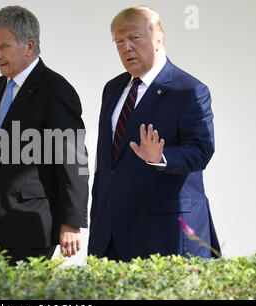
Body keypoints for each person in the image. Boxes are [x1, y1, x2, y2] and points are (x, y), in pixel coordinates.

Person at [0, 6, 88, 266]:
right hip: (1, 222)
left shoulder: (55, 90)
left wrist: (71, 221)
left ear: (29, 45)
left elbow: (74, 160)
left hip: (37, 223)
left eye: (3, 46)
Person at [88, 6, 221, 261]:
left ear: (158, 39)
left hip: (163, 233)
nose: (126, 47)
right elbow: (108, 166)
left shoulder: (189, 90)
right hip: (109, 234)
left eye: (134, 38)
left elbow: (201, 149)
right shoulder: (113, 89)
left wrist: (161, 157)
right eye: (119, 41)